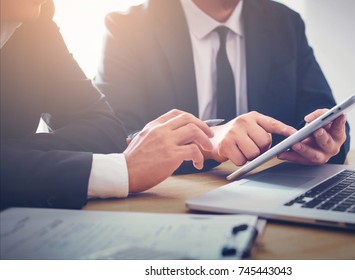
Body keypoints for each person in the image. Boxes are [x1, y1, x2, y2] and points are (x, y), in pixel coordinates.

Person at [0, 0, 214, 210]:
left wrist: (13, 158)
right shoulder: (129, 24)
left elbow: (105, 132)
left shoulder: (34, 23)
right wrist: (119, 171)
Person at [95, 0, 350, 170]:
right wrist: (208, 145)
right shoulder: (128, 28)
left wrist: (328, 139)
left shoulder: (285, 22)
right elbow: (117, 138)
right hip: (175, 196)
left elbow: (325, 113)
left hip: (271, 188)